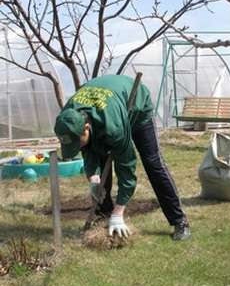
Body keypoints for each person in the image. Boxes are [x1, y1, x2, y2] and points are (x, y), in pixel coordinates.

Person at [54, 74, 190, 241]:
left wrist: (119, 212)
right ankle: (104, 215)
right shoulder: (69, 116)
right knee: (99, 158)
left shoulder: (114, 128)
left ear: (86, 128)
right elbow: (87, 149)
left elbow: (126, 167)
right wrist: (94, 180)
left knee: (152, 162)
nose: (77, 147)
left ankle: (179, 221)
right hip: (107, 106)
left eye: (77, 142)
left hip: (136, 107)